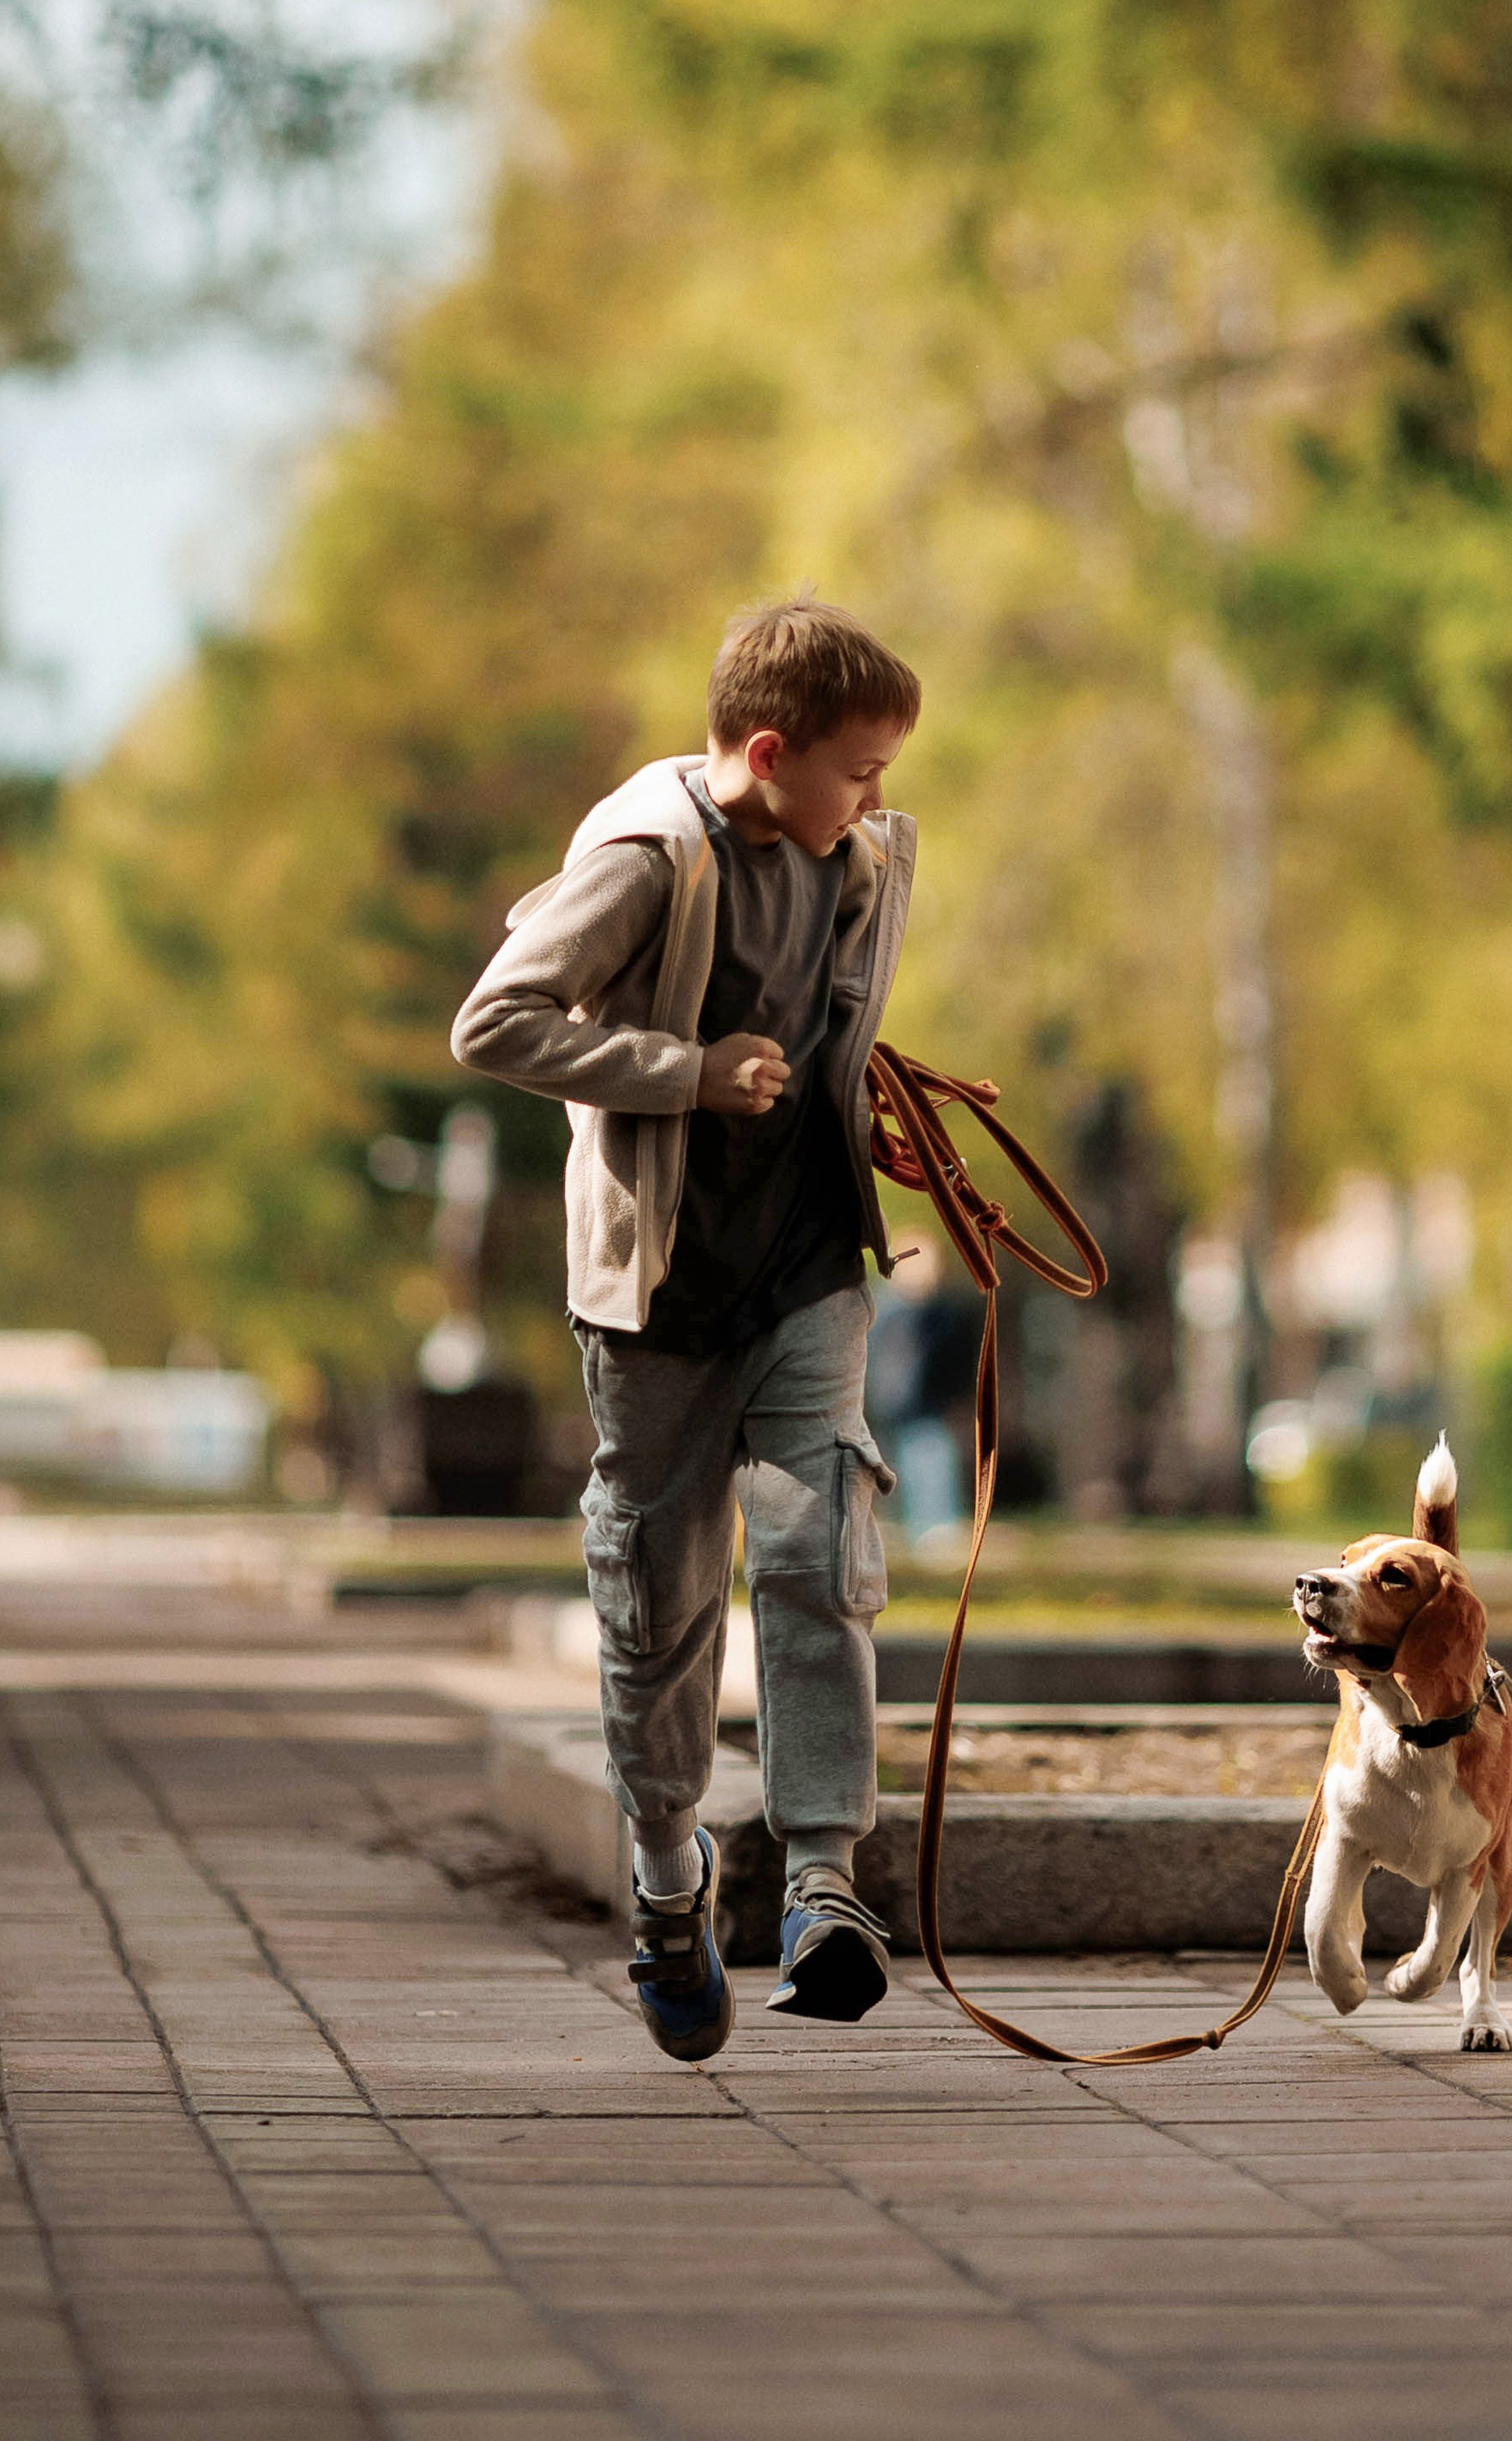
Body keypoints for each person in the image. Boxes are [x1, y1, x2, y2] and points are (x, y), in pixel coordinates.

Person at [449, 597, 920, 2060]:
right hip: (657, 1297)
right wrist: (686, 1072)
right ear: (768, 753)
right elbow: (494, 1022)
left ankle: (827, 1883)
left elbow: (828, 1028)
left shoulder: (863, 856)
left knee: (814, 1546)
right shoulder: (649, 856)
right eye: (857, 768)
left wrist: (869, 1112)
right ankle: (667, 1878)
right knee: (660, 1605)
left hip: (804, 1273)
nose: (878, 798)